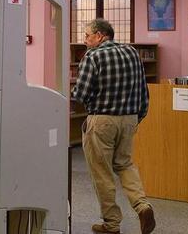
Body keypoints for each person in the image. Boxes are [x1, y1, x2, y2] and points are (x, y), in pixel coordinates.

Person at [71, 18, 156, 234]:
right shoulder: (132, 53)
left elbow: (81, 93)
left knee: (102, 172)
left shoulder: (93, 55)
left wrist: (68, 95)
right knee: (125, 165)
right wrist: (138, 117)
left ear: (100, 35)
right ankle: (142, 206)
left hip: (102, 120)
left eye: (87, 35)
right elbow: (143, 90)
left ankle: (111, 224)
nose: (85, 40)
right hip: (129, 118)